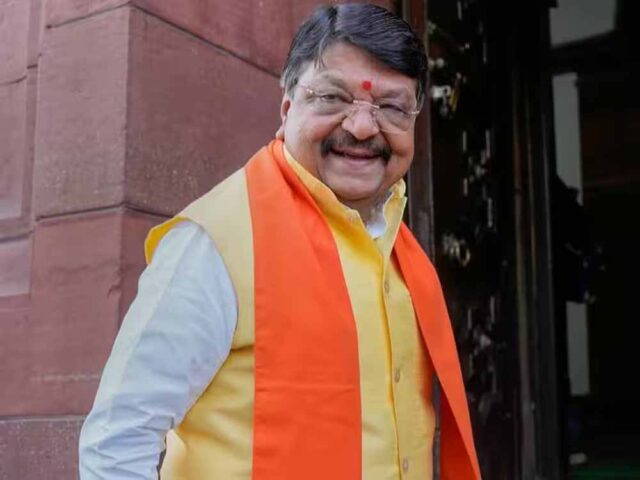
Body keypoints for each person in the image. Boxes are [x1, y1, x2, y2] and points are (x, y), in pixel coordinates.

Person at [78, 4, 481, 479]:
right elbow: (117, 441)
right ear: (287, 109)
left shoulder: (401, 250)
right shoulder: (217, 241)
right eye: (332, 97)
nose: (362, 127)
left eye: (391, 107)